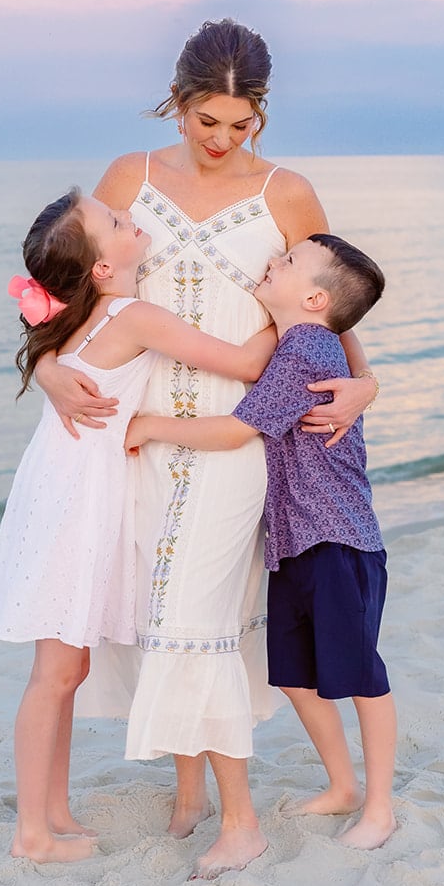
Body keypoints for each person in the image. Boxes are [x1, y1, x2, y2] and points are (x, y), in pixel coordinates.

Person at [36, 19, 379, 878]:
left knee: (199, 619)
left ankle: (241, 821)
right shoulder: (129, 178)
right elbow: (70, 294)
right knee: (164, 615)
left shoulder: (288, 194)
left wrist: (367, 383)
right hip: (135, 435)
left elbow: (332, 308)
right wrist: (45, 368)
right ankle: (190, 792)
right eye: (208, 120)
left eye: (243, 121)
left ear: (260, 111)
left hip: (236, 439)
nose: (225, 139)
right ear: (179, 103)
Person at [0, 187, 276, 864]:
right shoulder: (133, 313)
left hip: (66, 489)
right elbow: (244, 364)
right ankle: (31, 832)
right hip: (75, 500)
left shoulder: (78, 319)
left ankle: (53, 811)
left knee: (68, 667)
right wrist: (289, 319)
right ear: (101, 270)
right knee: (54, 670)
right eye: (114, 222)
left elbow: (45, 346)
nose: (129, 218)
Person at [124, 233, 397, 851]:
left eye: (288, 261)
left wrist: (149, 426)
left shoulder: (305, 346)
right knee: (297, 676)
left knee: (361, 677)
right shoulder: (300, 342)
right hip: (294, 543)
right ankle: (343, 787)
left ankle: (379, 806)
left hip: (337, 539)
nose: (273, 262)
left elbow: (235, 430)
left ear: (315, 296)